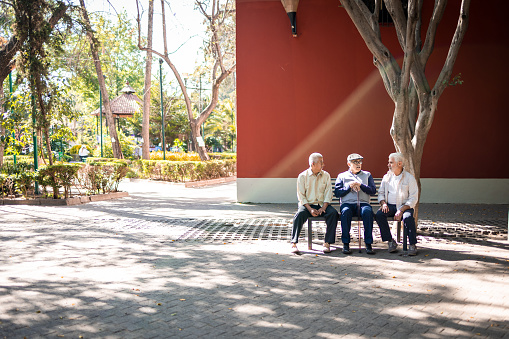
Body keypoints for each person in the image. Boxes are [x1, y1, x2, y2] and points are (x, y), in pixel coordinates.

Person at [291, 153, 339, 254]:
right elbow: (301, 196)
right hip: (308, 205)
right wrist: (310, 209)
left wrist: (324, 207)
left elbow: (328, 193)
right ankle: (294, 243)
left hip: (322, 204)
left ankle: (327, 243)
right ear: (312, 164)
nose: (323, 164)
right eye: (321, 162)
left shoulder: (326, 175)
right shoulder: (302, 176)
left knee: (333, 214)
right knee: (299, 215)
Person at [375, 152, 419, 255]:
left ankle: (412, 244)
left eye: (391, 163)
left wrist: (401, 210)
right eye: (388, 162)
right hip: (389, 206)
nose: (388, 165)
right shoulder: (386, 177)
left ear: (399, 164)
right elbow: (380, 193)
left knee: (408, 218)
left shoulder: (409, 178)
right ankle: (390, 241)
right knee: (379, 215)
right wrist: (383, 204)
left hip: (405, 207)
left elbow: (413, 198)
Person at [334, 153, 377, 255]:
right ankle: (345, 244)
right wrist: (349, 187)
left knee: (367, 212)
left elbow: (373, 190)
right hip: (347, 204)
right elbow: (337, 193)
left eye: (360, 162)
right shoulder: (342, 176)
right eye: (355, 162)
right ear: (349, 164)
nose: (359, 164)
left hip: (363, 203)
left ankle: (368, 244)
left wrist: (361, 185)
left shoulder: (367, 175)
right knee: (345, 212)